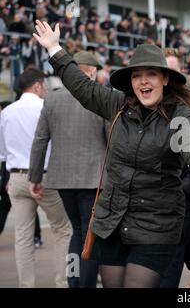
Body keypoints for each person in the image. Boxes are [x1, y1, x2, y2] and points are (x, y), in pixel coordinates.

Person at [33, 20, 190, 288]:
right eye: (136, 75)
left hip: (156, 224)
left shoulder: (180, 112)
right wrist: (55, 49)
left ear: (165, 78)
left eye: (151, 74)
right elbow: (83, 88)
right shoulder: (119, 105)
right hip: (112, 221)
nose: (143, 81)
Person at [28, 51, 106, 288]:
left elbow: (40, 139)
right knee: (89, 236)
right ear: (91, 71)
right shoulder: (100, 95)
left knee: (76, 232)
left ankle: (74, 280)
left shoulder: (52, 98)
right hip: (94, 179)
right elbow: (112, 137)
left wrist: (34, 176)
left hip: (62, 178)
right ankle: (86, 284)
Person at [0, 68, 72, 288]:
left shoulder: (7, 112)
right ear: (38, 85)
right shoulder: (45, 107)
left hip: (17, 177)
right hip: (45, 175)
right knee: (63, 230)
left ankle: (26, 285)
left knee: (23, 236)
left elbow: (2, 152)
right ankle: (62, 283)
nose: (46, 90)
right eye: (45, 86)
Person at [159, 48, 190, 288]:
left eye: (172, 69)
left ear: (181, 72)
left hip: (188, 190)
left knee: (173, 249)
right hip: (165, 190)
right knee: (188, 246)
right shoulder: (154, 101)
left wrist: (183, 187)